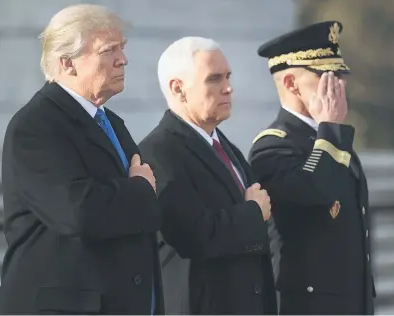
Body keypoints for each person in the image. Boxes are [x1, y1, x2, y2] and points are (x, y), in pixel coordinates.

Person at [0, 4, 163, 314]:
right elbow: (77, 211)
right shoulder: (35, 125)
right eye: (109, 50)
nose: (123, 59)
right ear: (68, 63)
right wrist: (139, 188)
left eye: (122, 48)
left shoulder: (110, 121)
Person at [139, 37, 278, 314]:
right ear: (178, 89)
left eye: (227, 77)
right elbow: (192, 234)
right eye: (213, 79)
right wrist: (252, 212)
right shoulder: (158, 152)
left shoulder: (228, 149)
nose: (228, 88)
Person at [248, 21, 375, 315]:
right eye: (326, 77)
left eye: (340, 76)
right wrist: (329, 129)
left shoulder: (331, 138)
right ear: (291, 84)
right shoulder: (273, 146)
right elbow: (317, 190)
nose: (339, 86)